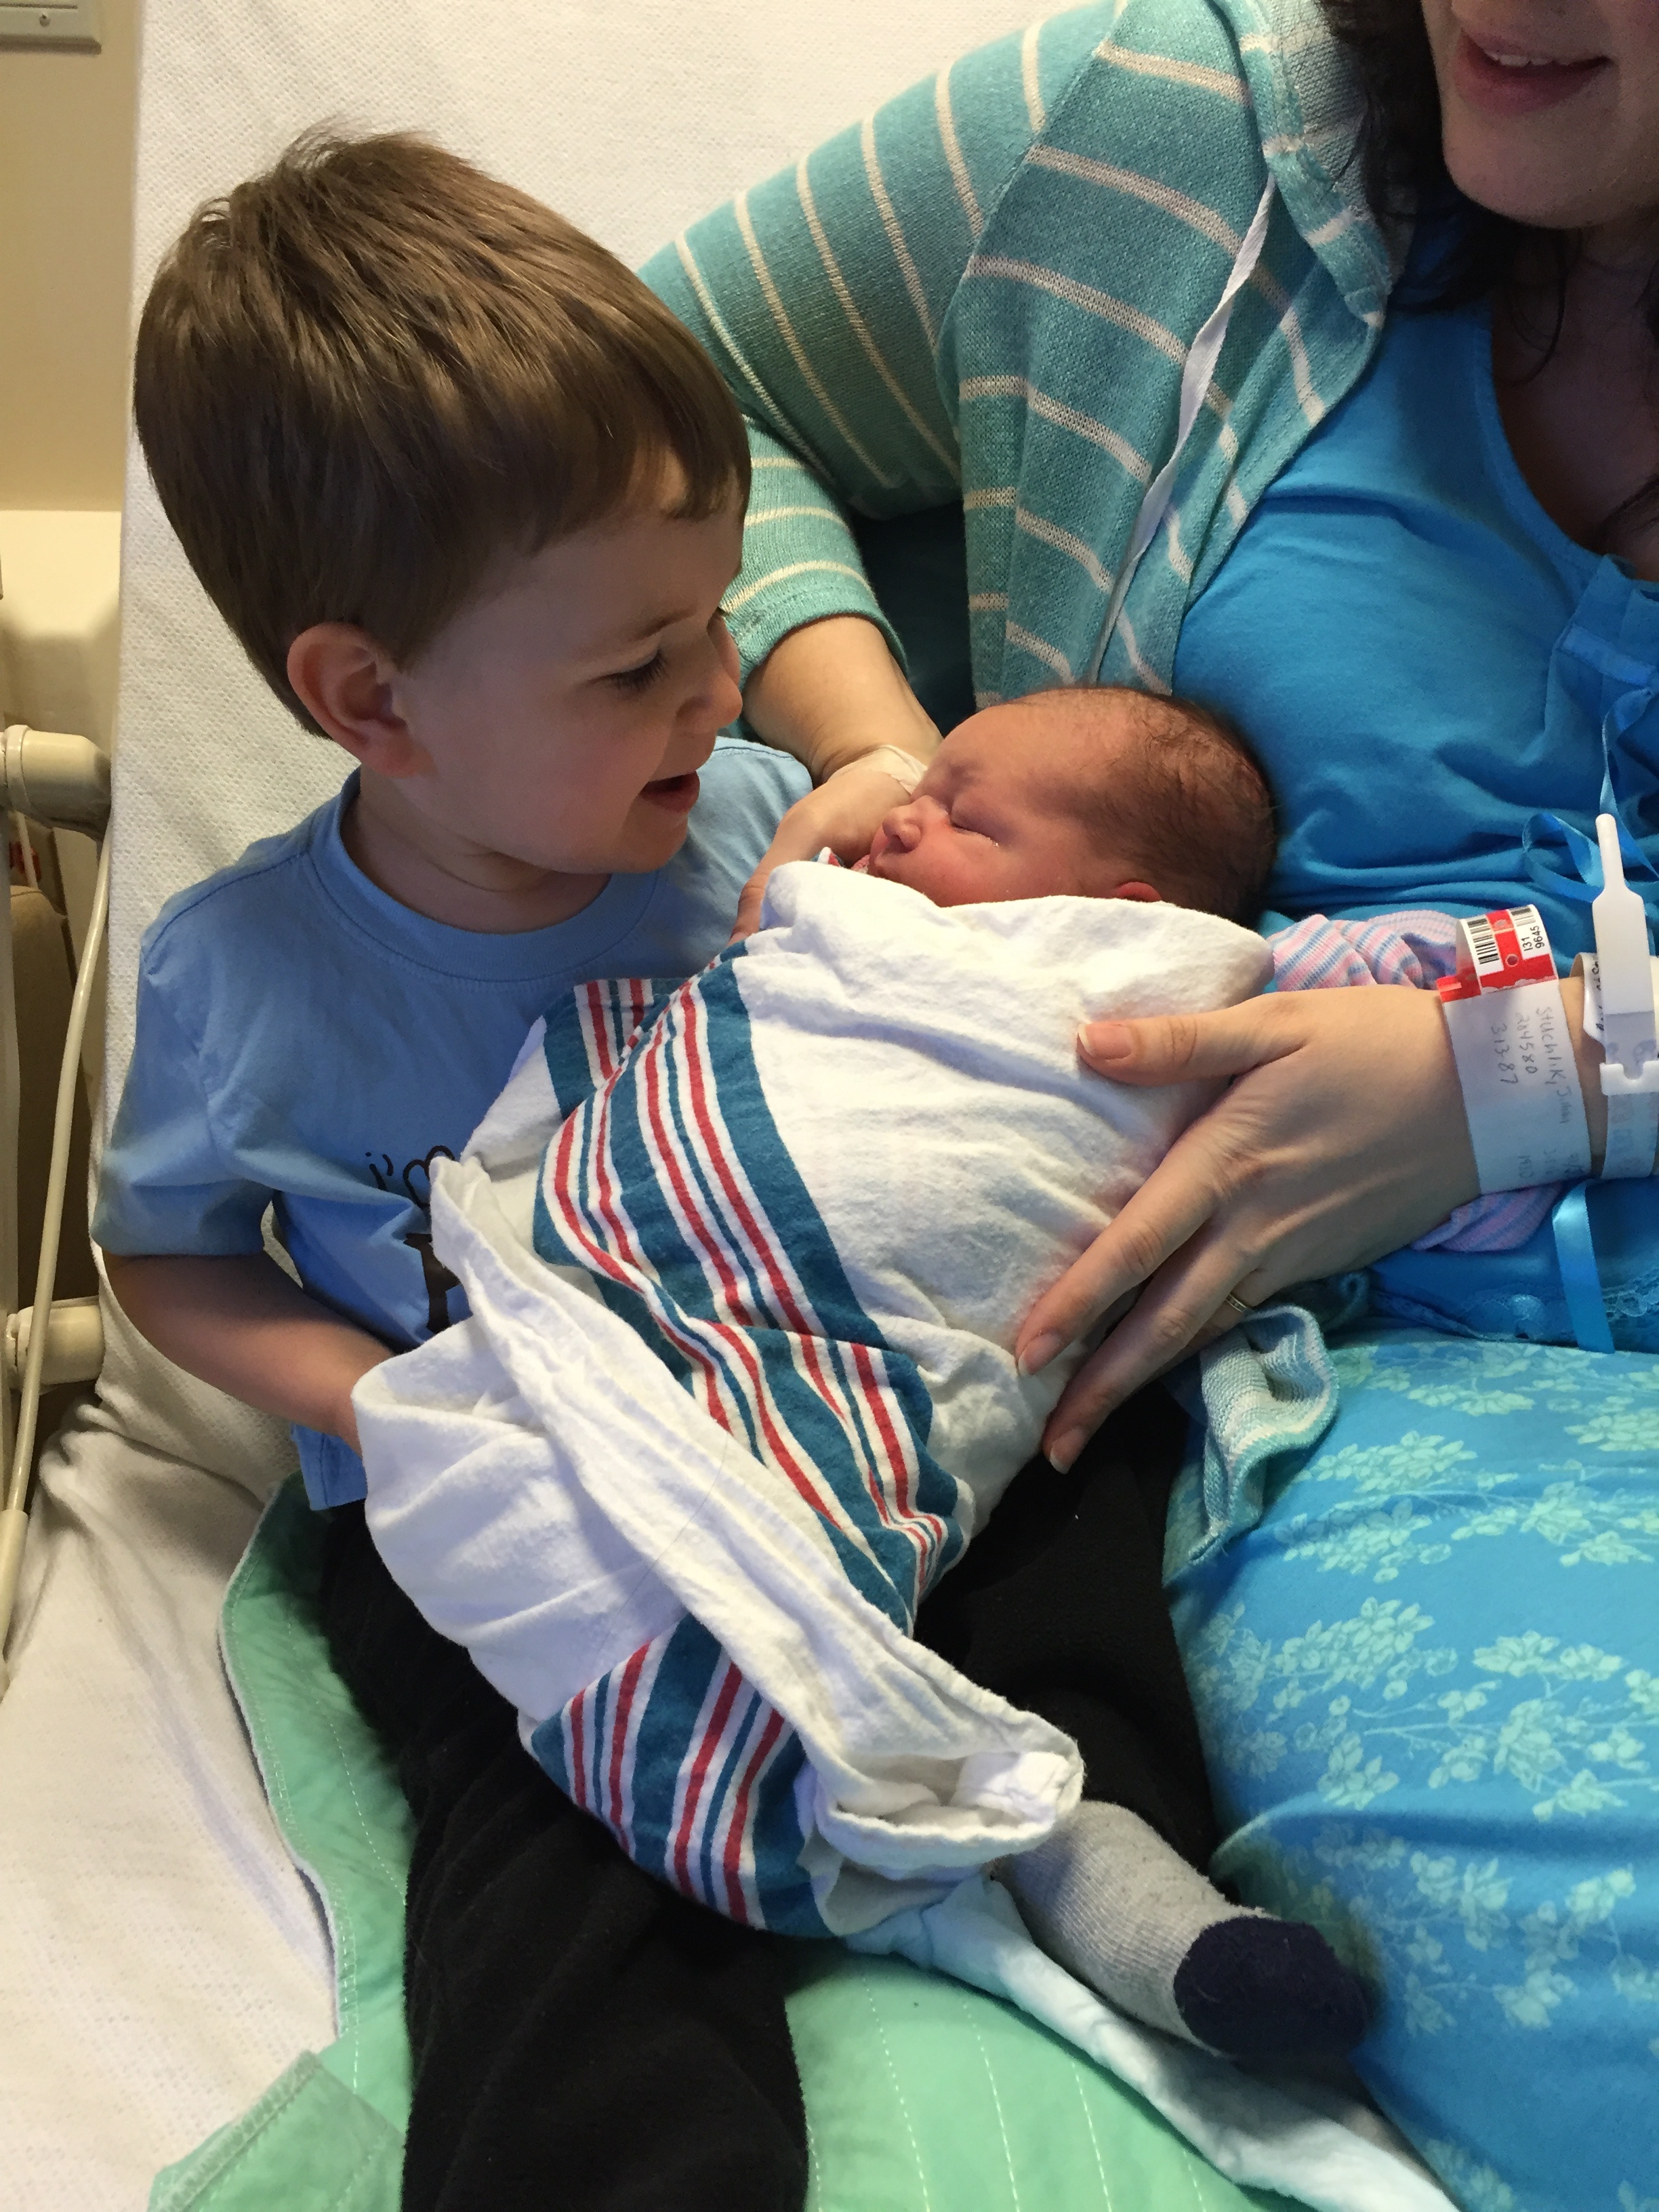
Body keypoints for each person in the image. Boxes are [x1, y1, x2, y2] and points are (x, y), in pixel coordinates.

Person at [638, 0, 1659, 2204]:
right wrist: (889, 755)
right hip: (1415, 1395)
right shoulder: (1173, 132)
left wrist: (1534, 1075)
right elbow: (636, 383)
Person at [91, 129, 914, 2212]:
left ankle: (1118, 1916)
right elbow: (161, 1264)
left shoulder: (751, 831)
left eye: (718, 624)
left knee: (1094, 1544)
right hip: (490, 1525)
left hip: (818, 1449)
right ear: (370, 700)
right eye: (636, 666)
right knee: (549, 1859)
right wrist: (372, 1400)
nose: (723, 694)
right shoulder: (249, 984)